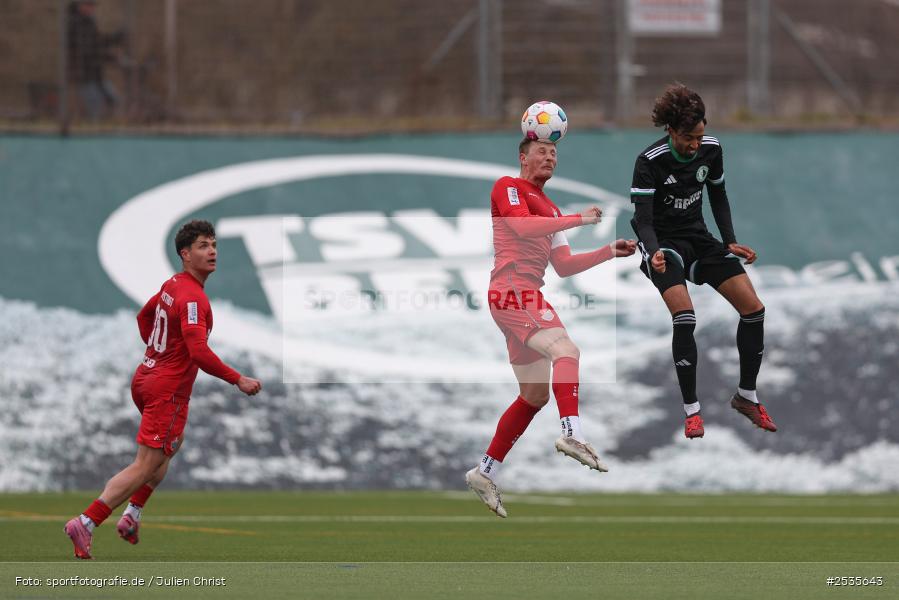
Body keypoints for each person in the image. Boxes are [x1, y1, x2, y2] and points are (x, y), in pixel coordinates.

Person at [64, 220, 262, 560]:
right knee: (145, 464)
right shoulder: (193, 298)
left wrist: (159, 352)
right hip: (166, 388)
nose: (212, 250)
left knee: (171, 443)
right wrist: (237, 378)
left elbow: (144, 317)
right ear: (185, 254)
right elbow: (199, 352)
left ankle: (132, 514)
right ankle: (86, 521)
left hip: (145, 378)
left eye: (213, 244)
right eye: (202, 245)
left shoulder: (173, 284)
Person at [465, 138, 637, 518]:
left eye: (554, 152)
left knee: (534, 395)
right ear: (523, 157)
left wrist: (608, 251)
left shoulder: (553, 209)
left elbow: (564, 265)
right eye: (541, 151)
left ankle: (484, 471)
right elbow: (523, 229)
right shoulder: (508, 187)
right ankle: (573, 434)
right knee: (567, 351)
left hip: (519, 296)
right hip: (514, 291)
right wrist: (580, 219)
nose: (549, 157)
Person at [629, 83, 777, 440]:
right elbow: (643, 220)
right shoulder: (649, 162)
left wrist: (730, 241)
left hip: (700, 240)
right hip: (664, 245)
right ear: (670, 130)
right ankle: (692, 411)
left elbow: (718, 194)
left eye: (699, 136)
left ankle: (746, 396)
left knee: (754, 309)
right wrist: (654, 251)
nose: (695, 144)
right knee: (685, 316)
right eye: (687, 138)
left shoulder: (711, 150)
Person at [67, 0, 124, 120]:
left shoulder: (89, 22)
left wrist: (114, 39)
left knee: (114, 101)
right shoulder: (74, 23)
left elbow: (97, 42)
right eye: (88, 5)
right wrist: (108, 56)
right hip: (83, 74)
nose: (91, 8)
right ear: (79, 5)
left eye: (92, 5)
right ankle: (93, 126)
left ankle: (107, 125)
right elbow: (87, 50)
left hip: (96, 73)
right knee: (96, 107)